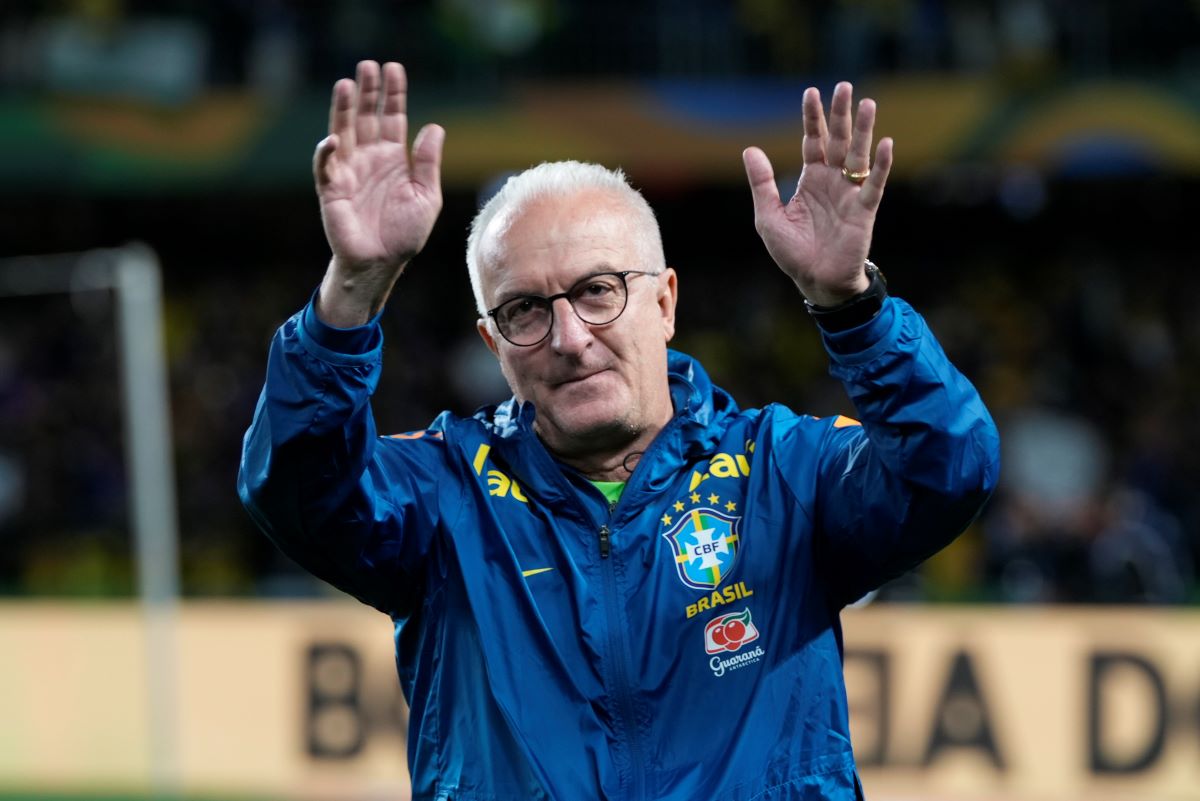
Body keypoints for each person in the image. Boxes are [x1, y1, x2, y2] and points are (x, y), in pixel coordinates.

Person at [239, 60, 1000, 801]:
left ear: (665, 303)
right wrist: (353, 290)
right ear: (492, 343)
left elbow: (949, 469)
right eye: (525, 311)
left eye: (598, 290)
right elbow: (297, 492)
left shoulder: (783, 472)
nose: (568, 337)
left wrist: (853, 310)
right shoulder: (445, 495)